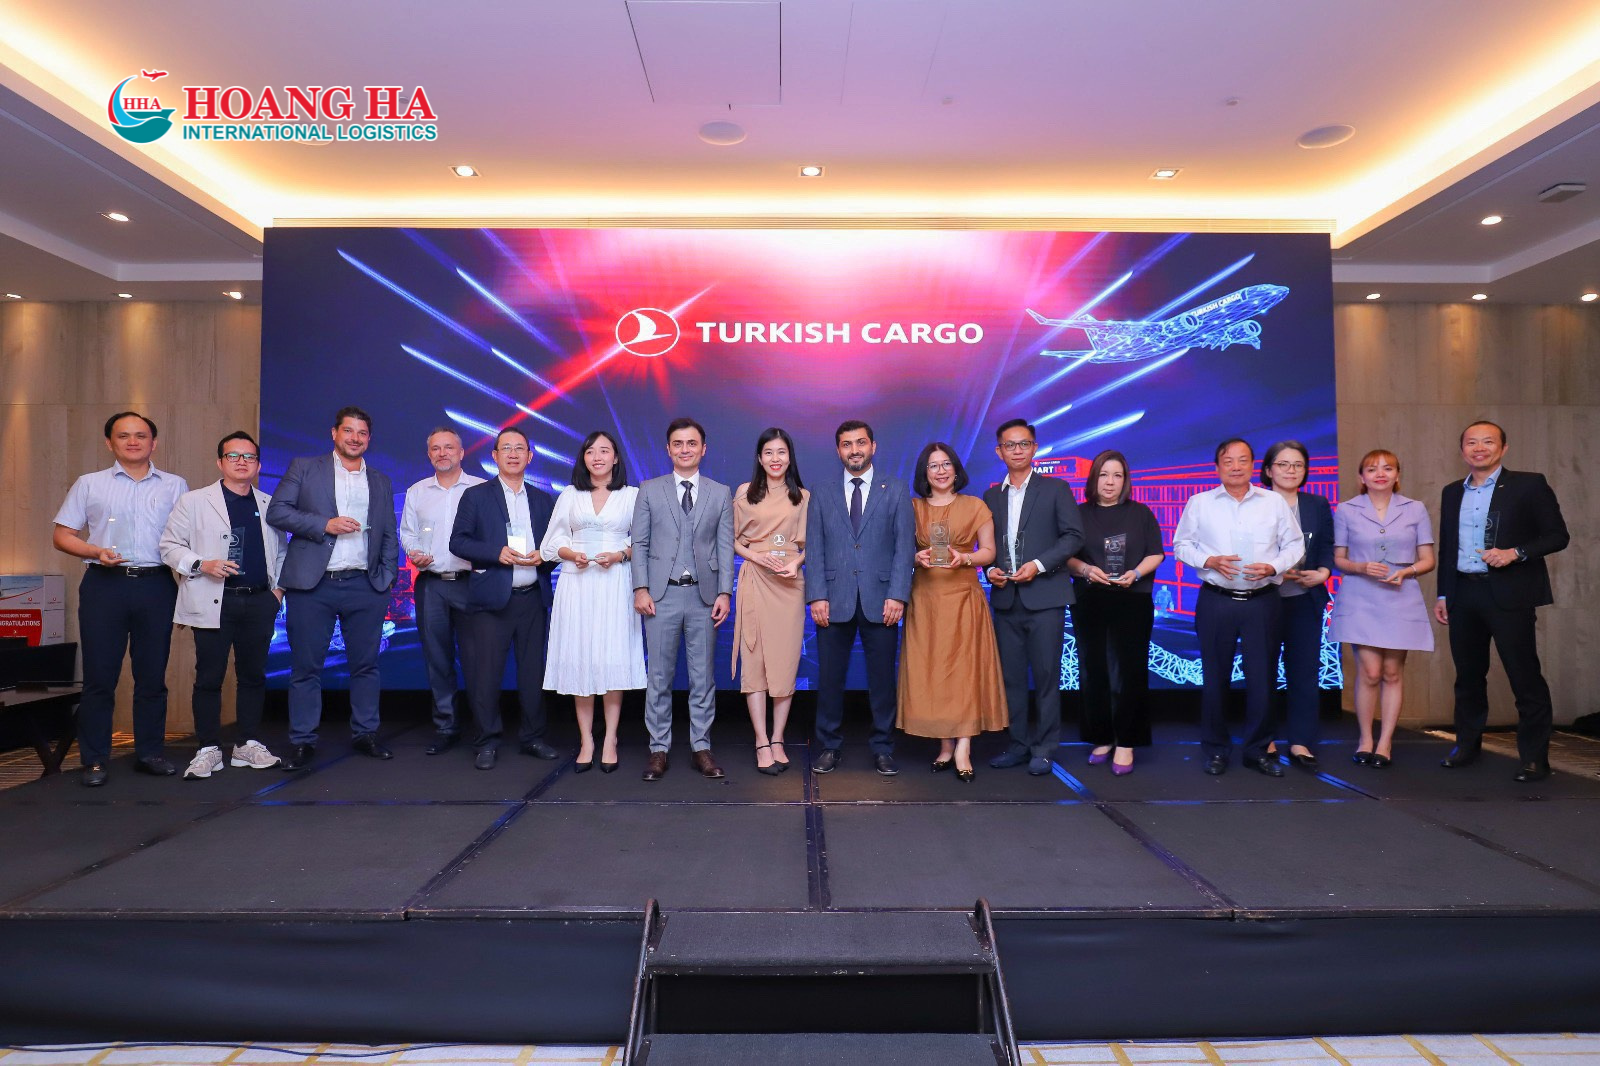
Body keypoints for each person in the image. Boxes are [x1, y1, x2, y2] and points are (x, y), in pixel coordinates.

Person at [52, 412, 189, 786]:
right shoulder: (90, 484)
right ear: (109, 443)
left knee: (152, 677)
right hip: (104, 586)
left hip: (157, 585)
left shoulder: (175, 485)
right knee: (99, 678)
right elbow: (62, 535)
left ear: (154, 443)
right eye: (124, 435)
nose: (133, 441)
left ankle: (150, 753)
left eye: (141, 435)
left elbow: (186, 538)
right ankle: (94, 760)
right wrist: (95, 551)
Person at [1434, 421, 1569, 782]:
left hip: (1509, 593)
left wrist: (1515, 552)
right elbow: (1448, 547)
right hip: (1463, 593)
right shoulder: (1452, 491)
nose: (1479, 448)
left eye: (1488, 442)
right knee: (1468, 677)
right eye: (1471, 442)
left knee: (1524, 676)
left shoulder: (1529, 484)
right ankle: (1466, 746)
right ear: (1462, 450)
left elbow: (1557, 535)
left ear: (1503, 448)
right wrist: (1443, 593)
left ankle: (1535, 758)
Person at [266, 405, 399, 771]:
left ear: (369, 439)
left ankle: (365, 734)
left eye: (362, 433)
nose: (355, 438)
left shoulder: (381, 480)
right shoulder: (305, 468)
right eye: (348, 431)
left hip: (365, 585)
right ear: (334, 433)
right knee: (305, 668)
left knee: (366, 666)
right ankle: (303, 741)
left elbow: (388, 533)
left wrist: (387, 576)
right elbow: (277, 511)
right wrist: (325, 523)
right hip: (313, 585)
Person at [159, 432, 288, 779]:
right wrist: (203, 564)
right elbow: (169, 546)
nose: (241, 462)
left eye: (249, 457)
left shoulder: (270, 504)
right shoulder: (194, 501)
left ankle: (247, 745)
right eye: (233, 456)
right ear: (220, 462)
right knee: (209, 676)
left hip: (259, 601)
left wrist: (276, 594)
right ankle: (208, 749)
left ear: (258, 465)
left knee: (253, 676)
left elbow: (282, 552)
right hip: (214, 599)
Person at [1173, 438, 1303, 777]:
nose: (1235, 466)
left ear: (1253, 465)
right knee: (1215, 677)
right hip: (1217, 599)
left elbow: (1295, 545)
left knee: (1263, 679)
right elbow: (1181, 545)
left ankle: (1258, 750)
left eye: (1242, 460)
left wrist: (1274, 566)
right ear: (1217, 467)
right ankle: (1216, 749)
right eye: (1228, 460)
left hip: (1262, 601)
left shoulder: (1273, 502)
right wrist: (1209, 560)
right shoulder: (1200, 503)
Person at [805, 420, 915, 776]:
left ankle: (883, 747)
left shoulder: (895, 489)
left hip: (882, 600)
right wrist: (816, 595)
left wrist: (898, 594)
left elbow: (904, 547)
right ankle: (829, 746)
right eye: (847, 444)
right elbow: (815, 547)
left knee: (882, 681)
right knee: (830, 680)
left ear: (873, 447)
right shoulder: (822, 492)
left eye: (861, 443)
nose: (855, 450)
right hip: (832, 600)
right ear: (838, 450)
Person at [448, 427, 560, 770]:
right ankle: (486, 741)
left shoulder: (543, 499)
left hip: (532, 599)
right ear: (494, 456)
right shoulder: (476, 496)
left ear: (530, 456)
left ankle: (533, 737)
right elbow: (458, 542)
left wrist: (546, 556)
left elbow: (556, 546)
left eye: (519, 448)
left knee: (532, 674)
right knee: (486, 675)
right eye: (506, 448)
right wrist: (495, 553)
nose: (513, 454)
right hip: (491, 599)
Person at [631, 417, 735, 781]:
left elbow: (725, 546)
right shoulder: (649, 490)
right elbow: (639, 543)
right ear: (668, 449)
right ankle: (658, 749)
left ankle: (701, 747)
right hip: (661, 596)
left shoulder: (720, 492)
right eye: (678, 443)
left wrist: (725, 591)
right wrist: (640, 588)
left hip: (704, 596)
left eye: (692, 443)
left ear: (703, 449)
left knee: (702, 677)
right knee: (659, 676)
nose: (685, 449)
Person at [982, 419, 1085, 776]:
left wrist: (1039, 565)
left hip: (1045, 598)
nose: (1017, 450)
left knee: (1045, 678)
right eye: (1009, 445)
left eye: (1024, 444)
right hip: (1006, 599)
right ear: (999, 451)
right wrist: (989, 570)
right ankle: (1018, 744)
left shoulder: (1056, 489)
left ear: (1035, 448)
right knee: (1011, 679)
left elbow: (1073, 537)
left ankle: (1044, 747)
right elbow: (987, 547)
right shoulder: (991, 496)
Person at [899, 443, 1006, 780]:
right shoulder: (911, 508)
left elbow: (989, 551)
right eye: (933, 465)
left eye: (946, 464)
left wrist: (966, 558)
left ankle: (963, 746)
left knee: (963, 672)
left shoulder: (975, 506)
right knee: (932, 672)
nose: (941, 471)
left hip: (963, 597)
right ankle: (945, 745)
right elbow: (896, 550)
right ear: (924, 473)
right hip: (925, 599)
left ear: (956, 469)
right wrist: (914, 558)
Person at [542, 430, 643, 773]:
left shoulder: (632, 495)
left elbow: (643, 542)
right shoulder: (570, 495)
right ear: (583, 458)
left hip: (615, 582)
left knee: (611, 656)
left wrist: (619, 555)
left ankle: (611, 737)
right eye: (590, 451)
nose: (597, 457)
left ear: (616, 457)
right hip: (577, 582)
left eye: (604, 451)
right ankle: (586, 739)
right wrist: (572, 554)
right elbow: (552, 542)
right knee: (580, 656)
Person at [1330, 449, 1436, 768]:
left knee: (1392, 672)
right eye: (1372, 469)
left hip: (1400, 594)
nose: (1380, 473)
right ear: (1361, 477)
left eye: (1388, 468)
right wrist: (1361, 567)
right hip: (1361, 596)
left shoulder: (1415, 508)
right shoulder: (1346, 509)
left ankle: (1385, 742)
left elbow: (1428, 559)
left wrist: (1408, 571)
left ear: (1397, 475)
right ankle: (1365, 739)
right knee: (1371, 671)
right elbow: (1338, 560)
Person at [1064, 450, 1164, 775]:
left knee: (1130, 670)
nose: (1110, 482)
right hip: (1090, 598)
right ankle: (1102, 737)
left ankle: (1126, 741)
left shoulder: (1141, 513)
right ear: (1094, 478)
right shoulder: (1078, 514)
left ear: (1125, 480)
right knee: (1093, 669)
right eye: (1104, 475)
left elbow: (1156, 553)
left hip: (1132, 598)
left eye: (1117, 475)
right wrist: (1085, 569)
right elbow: (1066, 557)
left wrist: (1136, 572)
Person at [399, 428, 484, 755]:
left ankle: (484, 729)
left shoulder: (481, 488)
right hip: (431, 583)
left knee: (478, 661)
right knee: (437, 659)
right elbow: (408, 533)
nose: (442, 453)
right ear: (429, 454)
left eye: (449, 447)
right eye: (436, 448)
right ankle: (446, 727)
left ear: (462, 453)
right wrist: (414, 552)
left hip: (471, 583)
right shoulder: (417, 491)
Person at [731, 428, 809, 774]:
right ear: (759, 458)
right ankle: (761, 740)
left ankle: (778, 738)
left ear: (789, 457)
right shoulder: (744, 492)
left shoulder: (803, 497)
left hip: (789, 583)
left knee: (784, 661)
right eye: (768, 453)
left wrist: (796, 563)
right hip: (756, 578)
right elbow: (731, 539)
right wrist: (756, 557)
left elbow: (809, 545)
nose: (775, 459)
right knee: (755, 661)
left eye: (781, 452)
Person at [1261, 440, 1335, 770]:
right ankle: (1264, 739)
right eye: (1283, 464)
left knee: (1304, 672)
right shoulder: (1255, 503)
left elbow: (1328, 545)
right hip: (1264, 599)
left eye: (1298, 465)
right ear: (1268, 470)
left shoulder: (1317, 504)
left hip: (1306, 599)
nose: (1291, 471)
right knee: (1262, 672)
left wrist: (1324, 572)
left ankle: (1301, 741)